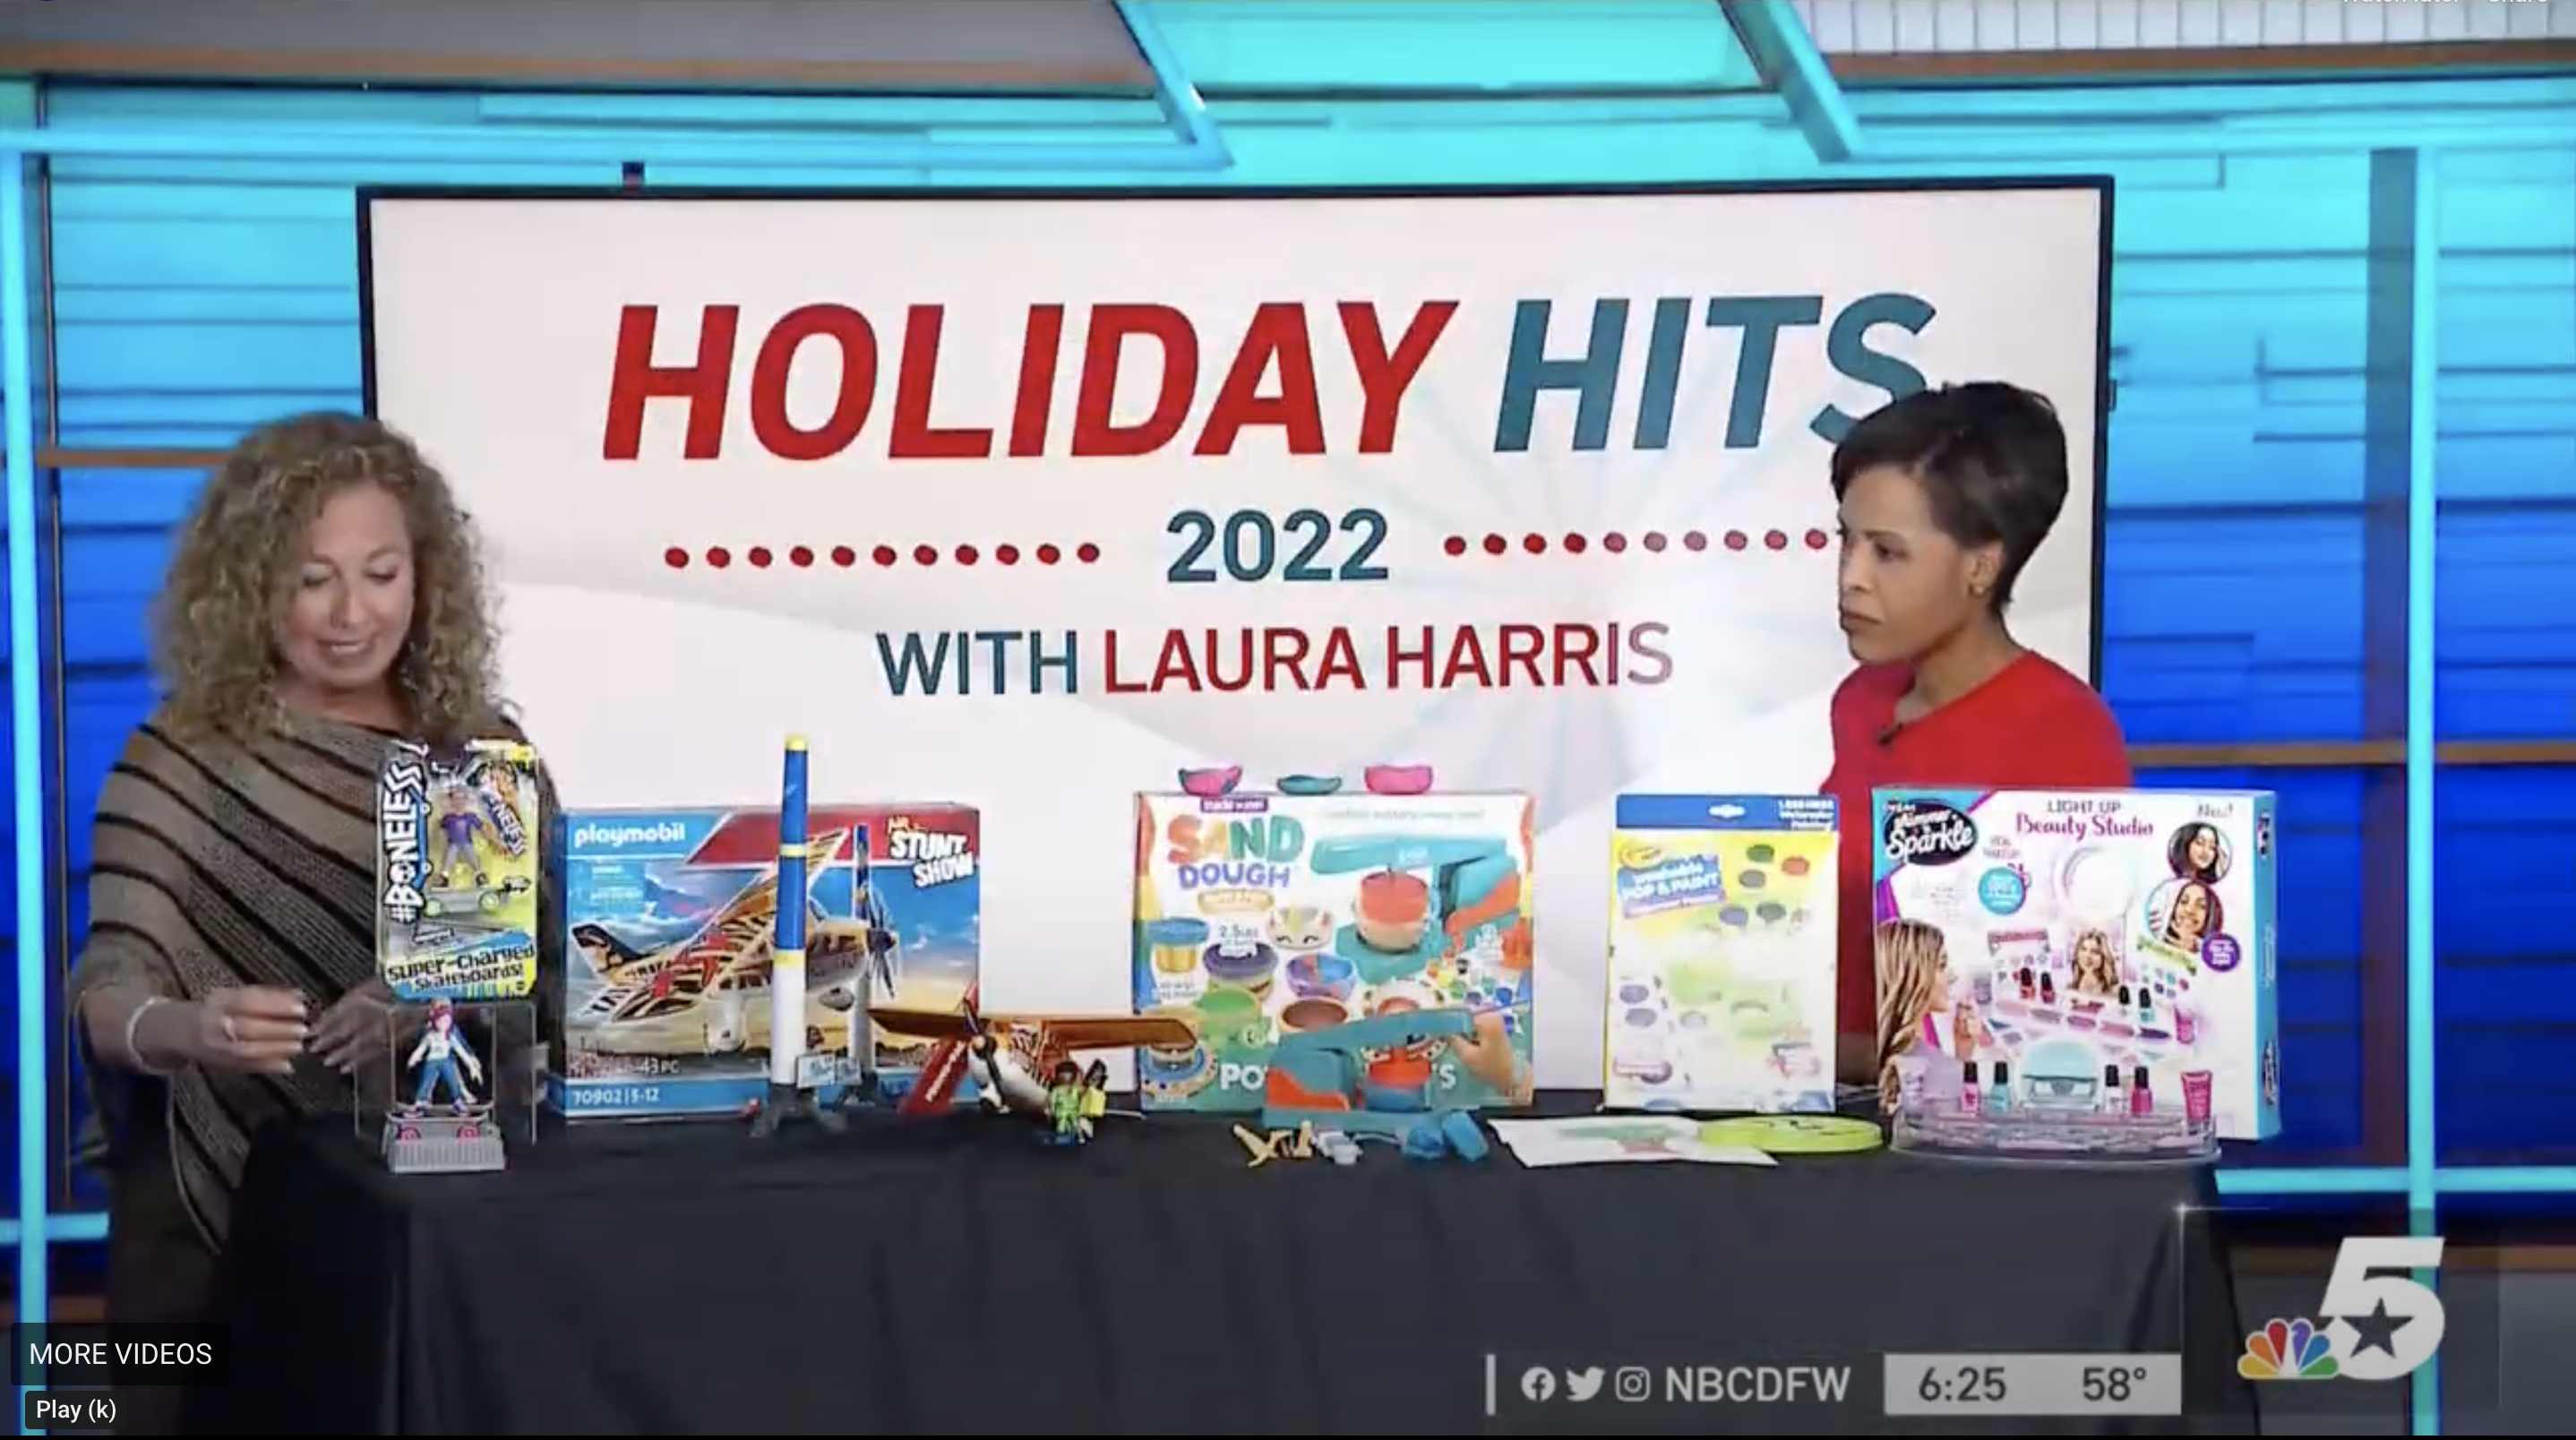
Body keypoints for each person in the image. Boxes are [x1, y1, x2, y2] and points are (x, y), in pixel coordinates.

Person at [67, 412, 558, 1436]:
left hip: (441, 1230)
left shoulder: (480, 754)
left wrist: (431, 998)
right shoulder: (185, 757)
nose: (350, 614)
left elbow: (550, 975)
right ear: (253, 586)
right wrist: (190, 1027)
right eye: (311, 579)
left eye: (380, 574)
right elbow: (110, 989)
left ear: (425, 579)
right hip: (211, 1231)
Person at [1819, 383, 2132, 1087]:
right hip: (1826, 1114)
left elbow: (2062, 1016)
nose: (1851, 579)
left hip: (1963, 1132)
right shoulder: (1861, 701)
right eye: (1846, 540)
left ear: (1981, 568)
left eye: (1887, 552)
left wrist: (1837, 1055)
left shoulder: (2065, 734)